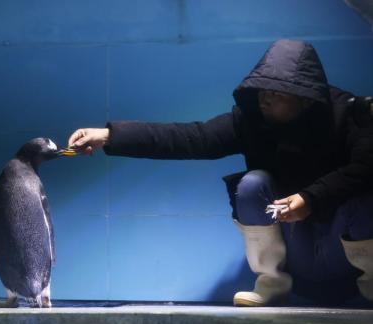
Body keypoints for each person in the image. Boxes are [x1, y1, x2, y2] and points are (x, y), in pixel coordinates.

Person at [68, 39, 373, 306]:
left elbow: (364, 168)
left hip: (344, 253)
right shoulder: (252, 120)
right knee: (252, 184)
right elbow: (190, 138)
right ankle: (273, 285)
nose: (264, 99)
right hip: (298, 254)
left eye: (277, 93)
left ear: (305, 96)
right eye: (263, 90)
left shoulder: (348, 114)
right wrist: (109, 136)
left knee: (364, 191)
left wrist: (311, 198)